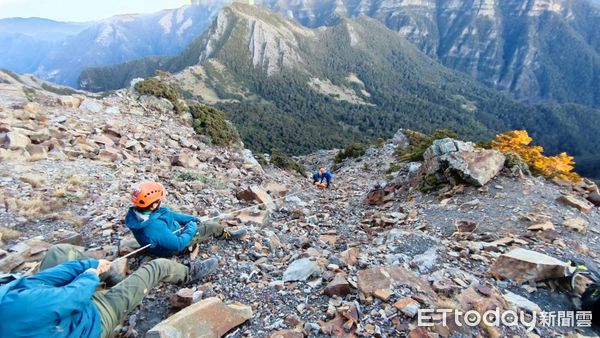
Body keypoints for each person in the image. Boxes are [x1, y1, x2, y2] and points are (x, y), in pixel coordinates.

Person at [0, 244, 217, 338]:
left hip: (54, 315)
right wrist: (89, 275)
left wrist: (92, 264)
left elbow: (43, 279)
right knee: (157, 266)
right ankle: (189, 273)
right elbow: (72, 298)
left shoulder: (7, 293)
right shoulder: (13, 307)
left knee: (59, 252)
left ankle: (111, 276)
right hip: (91, 321)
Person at [125, 181, 246, 258]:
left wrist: (191, 219)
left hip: (168, 233)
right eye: (158, 201)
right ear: (153, 205)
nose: (160, 202)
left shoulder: (141, 212)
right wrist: (191, 228)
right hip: (170, 248)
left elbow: (170, 214)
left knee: (178, 219)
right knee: (212, 226)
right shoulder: (154, 226)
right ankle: (227, 235)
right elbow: (177, 244)